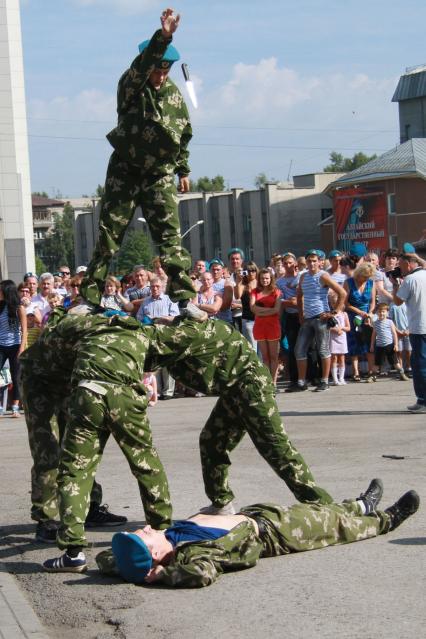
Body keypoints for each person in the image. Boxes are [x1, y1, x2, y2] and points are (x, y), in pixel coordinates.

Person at [79, 8, 196, 313]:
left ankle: (185, 300)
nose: (160, 76)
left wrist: (183, 168)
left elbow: (183, 134)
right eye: (157, 70)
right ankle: (90, 298)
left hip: (159, 174)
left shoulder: (174, 96)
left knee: (170, 238)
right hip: (126, 171)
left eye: (166, 70)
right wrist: (165, 36)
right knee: (108, 235)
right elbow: (142, 67)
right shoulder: (131, 87)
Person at [95, 482, 420, 586]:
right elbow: (202, 573)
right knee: (335, 528)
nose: (145, 527)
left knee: (324, 511)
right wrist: (163, 575)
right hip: (275, 534)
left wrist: (129, 565)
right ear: (154, 555)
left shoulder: (166, 540)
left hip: (259, 515)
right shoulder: (191, 554)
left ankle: (361, 504)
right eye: (144, 535)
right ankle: (386, 519)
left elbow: (107, 558)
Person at [294, 250, 346, 392]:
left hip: (320, 317)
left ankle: (324, 381)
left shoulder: (323, 276)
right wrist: (300, 314)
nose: (311, 263)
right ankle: (301, 381)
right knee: (299, 349)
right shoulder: (303, 276)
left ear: (320, 262)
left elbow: (342, 293)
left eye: (314, 260)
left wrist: (334, 312)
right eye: (309, 261)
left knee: (323, 349)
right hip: (307, 318)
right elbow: (299, 296)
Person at [392, 252, 426, 412]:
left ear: (408, 264)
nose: (399, 268)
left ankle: (423, 400)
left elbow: (397, 301)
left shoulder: (410, 280)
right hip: (420, 326)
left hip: (419, 328)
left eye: (401, 264)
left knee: (419, 365)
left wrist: (395, 284)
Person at [344, 262, 376, 382]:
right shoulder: (349, 282)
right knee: (354, 343)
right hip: (353, 315)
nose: (366, 279)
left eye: (368, 277)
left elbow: (373, 301)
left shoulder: (371, 283)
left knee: (369, 343)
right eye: (364, 276)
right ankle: (355, 372)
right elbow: (345, 303)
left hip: (367, 315)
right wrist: (358, 311)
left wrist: (370, 313)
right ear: (359, 274)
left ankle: (371, 371)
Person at [0, 280, 27, 417]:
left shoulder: (19, 308)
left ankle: (15, 406)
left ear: (7, 291)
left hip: (15, 345)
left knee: (16, 376)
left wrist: (22, 348)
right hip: (0, 345)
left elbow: (24, 330)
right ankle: (0, 407)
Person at [250, 268, 281, 384]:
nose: (265, 280)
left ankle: (273, 382)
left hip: (273, 326)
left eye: (267, 278)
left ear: (271, 279)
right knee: (265, 357)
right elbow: (252, 308)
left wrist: (261, 311)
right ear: (259, 279)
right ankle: (267, 382)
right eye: (262, 278)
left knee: (274, 356)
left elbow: (277, 309)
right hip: (260, 326)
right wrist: (270, 310)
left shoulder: (276, 292)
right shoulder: (254, 291)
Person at [276, 253, 301, 391]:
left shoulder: (301, 276)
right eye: (285, 263)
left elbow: (302, 299)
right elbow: (280, 302)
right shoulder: (279, 282)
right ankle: (294, 379)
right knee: (291, 349)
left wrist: (294, 302)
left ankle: (311, 376)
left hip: (304, 314)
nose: (288, 265)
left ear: (295, 263)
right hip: (290, 317)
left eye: (290, 262)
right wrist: (289, 302)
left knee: (308, 348)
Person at [370, 303, 408, 381]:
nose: (381, 313)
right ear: (377, 313)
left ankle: (401, 374)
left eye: (383, 311)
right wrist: (371, 345)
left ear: (387, 312)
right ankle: (373, 376)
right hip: (379, 346)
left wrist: (396, 345)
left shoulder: (390, 322)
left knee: (395, 362)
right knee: (377, 363)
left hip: (389, 345)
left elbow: (394, 334)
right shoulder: (375, 323)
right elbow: (374, 335)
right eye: (380, 311)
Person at [234, 261, 259, 351]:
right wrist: (238, 281)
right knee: (253, 349)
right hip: (248, 320)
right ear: (244, 273)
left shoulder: (261, 283)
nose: (251, 273)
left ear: (256, 271)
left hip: (262, 319)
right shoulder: (243, 285)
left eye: (253, 270)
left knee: (262, 351)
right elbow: (237, 296)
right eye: (248, 271)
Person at [329, 292, 350, 385]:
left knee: (342, 357)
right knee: (334, 358)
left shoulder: (344, 314)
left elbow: (348, 327)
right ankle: (335, 379)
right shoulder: (330, 315)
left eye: (337, 303)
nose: (335, 305)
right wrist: (334, 329)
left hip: (342, 338)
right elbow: (327, 327)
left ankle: (341, 378)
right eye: (333, 303)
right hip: (333, 338)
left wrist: (341, 328)